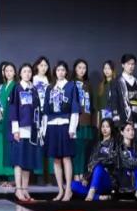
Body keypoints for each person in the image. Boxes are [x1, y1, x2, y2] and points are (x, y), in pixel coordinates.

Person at [73, 120, 137, 202]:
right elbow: (91, 163)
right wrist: (86, 177)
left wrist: (98, 162)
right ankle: (99, 197)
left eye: (107, 127)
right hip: (94, 178)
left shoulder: (116, 144)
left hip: (108, 178)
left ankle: (91, 193)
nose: (104, 129)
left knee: (99, 168)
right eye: (103, 126)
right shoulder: (96, 145)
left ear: (111, 128)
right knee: (73, 185)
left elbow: (110, 160)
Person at [42, 61, 80, 202]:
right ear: (55, 72)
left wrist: (72, 128)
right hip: (52, 125)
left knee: (66, 157)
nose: (60, 72)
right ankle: (60, 190)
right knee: (56, 159)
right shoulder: (50, 87)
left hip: (65, 124)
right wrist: (44, 130)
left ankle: (68, 189)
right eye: (58, 70)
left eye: (63, 70)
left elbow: (75, 108)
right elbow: (46, 110)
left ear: (66, 72)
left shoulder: (71, 86)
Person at [9, 62, 41, 202]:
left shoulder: (33, 89)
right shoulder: (16, 88)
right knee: (18, 161)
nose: (27, 74)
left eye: (29, 72)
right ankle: (18, 189)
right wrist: (15, 130)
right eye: (24, 71)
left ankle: (25, 189)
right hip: (20, 130)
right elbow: (13, 110)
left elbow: (38, 110)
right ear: (20, 74)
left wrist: (38, 128)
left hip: (32, 130)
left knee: (27, 161)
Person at [111, 53, 137, 158]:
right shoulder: (117, 82)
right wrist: (117, 121)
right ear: (123, 65)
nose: (131, 66)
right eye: (128, 64)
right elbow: (114, 102)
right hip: (123, 120)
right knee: (124, 149)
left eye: (133, 64)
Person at [0, 62, 17, 188]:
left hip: (11, 122)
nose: (9, 73)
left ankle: (12, 177)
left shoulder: (16, 86)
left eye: (11, 70)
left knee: (10, 150)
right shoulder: (1, 87)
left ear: (15, 72)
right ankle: (0, 176)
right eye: (6, 71)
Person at [71, 59, 95, 184]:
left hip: (87, 120)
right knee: (76, 149)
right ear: (75, 68)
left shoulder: (88, 84)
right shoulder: (71, 83)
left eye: (84, 68)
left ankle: (81, 173)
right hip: (77, 121)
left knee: (84, 150)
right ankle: (76, 173)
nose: (82, 70)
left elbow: (92, 104)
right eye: (79, 67)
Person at [96, 60, 117, 124]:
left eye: (109, 68)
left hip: (114, 116)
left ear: (113, 70)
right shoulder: (101, 85)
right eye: (105, 68)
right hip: (103, 117)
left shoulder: (117, 84)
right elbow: (98, 105)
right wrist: (98, 121)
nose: (106, 71)